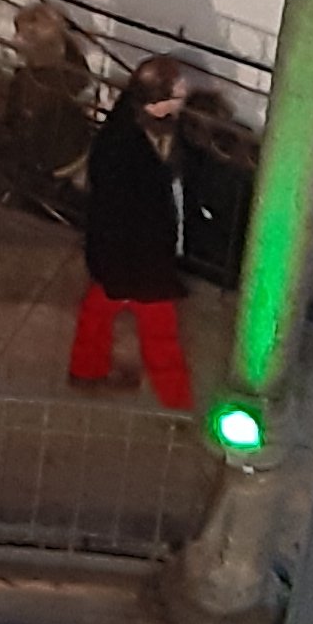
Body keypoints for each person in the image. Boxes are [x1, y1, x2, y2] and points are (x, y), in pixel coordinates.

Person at [69, 49, 202, 403]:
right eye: (178, 93)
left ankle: (86, 371)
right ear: (159, 102)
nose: (184, 97)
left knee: (97, 312)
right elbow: (123, 212)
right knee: (160, 336)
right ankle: (177, 402)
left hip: (119, 259)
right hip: (139, 261)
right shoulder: (124, 148)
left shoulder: (130, 127)